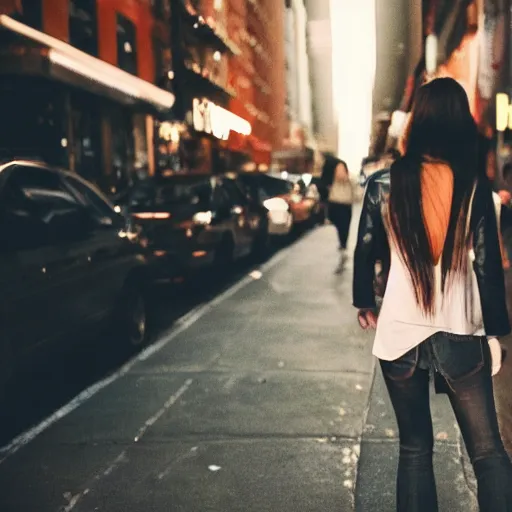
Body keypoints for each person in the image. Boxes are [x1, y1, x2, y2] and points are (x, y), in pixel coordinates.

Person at [353, 77, 512, 511]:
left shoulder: (385, 184)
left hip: (399, 335)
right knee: (488, 452)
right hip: (461, 332)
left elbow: (365, 247)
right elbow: (487, 268)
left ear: (417, 123)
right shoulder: (475, 187)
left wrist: (364, 302)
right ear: (461, 124)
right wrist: (495, 334)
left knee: (415, 450)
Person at [327, 159, 355, 273]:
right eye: (337, 170)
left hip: (345, 206)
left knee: (344, 229)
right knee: (339, 228)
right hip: (334, 205)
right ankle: (342, 247)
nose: (339, 172)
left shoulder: (351, 180)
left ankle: (343, 249)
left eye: (342, 169)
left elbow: (357, 194)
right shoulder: (332, 181)